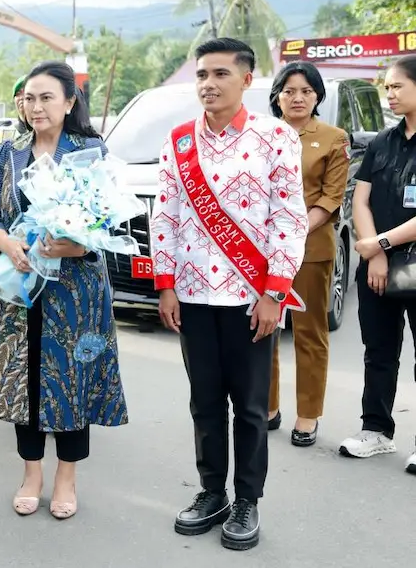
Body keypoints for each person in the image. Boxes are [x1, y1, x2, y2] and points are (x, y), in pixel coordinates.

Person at [151, 38, 308, 551]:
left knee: (250, 408)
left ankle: (247, 500)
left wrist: (274, 292)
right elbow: (166, 216)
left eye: (220, 73)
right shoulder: (178, 142)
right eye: (201, 75)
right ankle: (211, 492)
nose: (208, 84)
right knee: (204, 403)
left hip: (250, 298)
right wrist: (167, 284)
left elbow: (288, 217)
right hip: (193, 295)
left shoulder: (276, 137)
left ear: (247, 78)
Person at [0, 62, 127, 520]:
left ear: (69, 102)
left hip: (74, 291)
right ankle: (31, 474)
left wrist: (79, 244)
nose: (35, 107)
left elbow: (110, 218)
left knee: (71, 379)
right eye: (29, 98)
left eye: (46, 98)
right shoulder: (9, 151)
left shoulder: (91, 150)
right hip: (18, 286)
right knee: (27, 379)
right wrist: (5, 241)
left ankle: (66, 477)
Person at [265, 62, 349, 447]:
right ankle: (267, 406)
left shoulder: (332, 138)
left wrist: (292, 231)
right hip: (260, 251)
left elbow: (331, 197)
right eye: (289, 90)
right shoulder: (260, 135)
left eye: (306, 91)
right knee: (261, 328)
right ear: (277, 95)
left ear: (317, 97)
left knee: (308, 331)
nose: (297, 98)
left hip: (310, 249)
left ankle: (307, 414)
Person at [341, 54, 416, 475]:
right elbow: (361, 199)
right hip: (379, 267)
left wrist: (380, 243)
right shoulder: (382, 142)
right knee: (379, 352)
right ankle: (376, 432)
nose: (389, 94)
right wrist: (377, 254)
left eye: (397, 86)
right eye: (386, 87)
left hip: (412, 261)